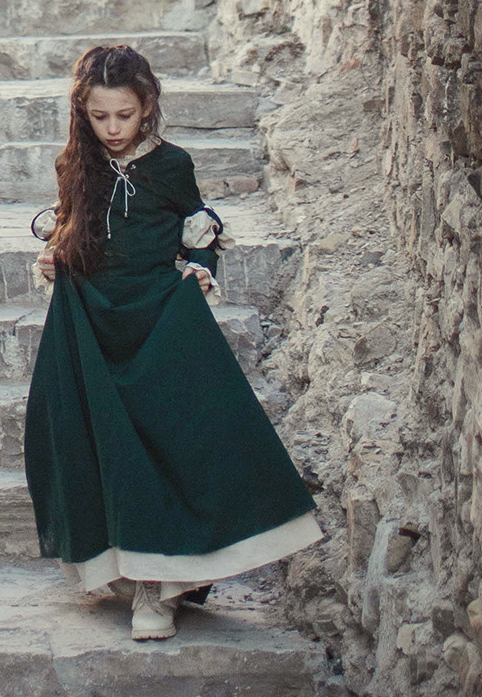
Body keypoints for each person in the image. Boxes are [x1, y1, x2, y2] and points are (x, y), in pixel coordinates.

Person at [23, 42, 323, 641]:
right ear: (82, 112)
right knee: (94, 440)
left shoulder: (172, 165)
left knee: (176, 438)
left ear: (148, 106)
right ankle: (136, 576)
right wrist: (55, 256)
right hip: (91, 320)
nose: (111, 128)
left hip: (158, 320)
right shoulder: (73, 165)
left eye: (124, 115)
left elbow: (199, 231)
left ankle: (167, 583)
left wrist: (201, 267)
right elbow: (67, 226)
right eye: (98, 116)